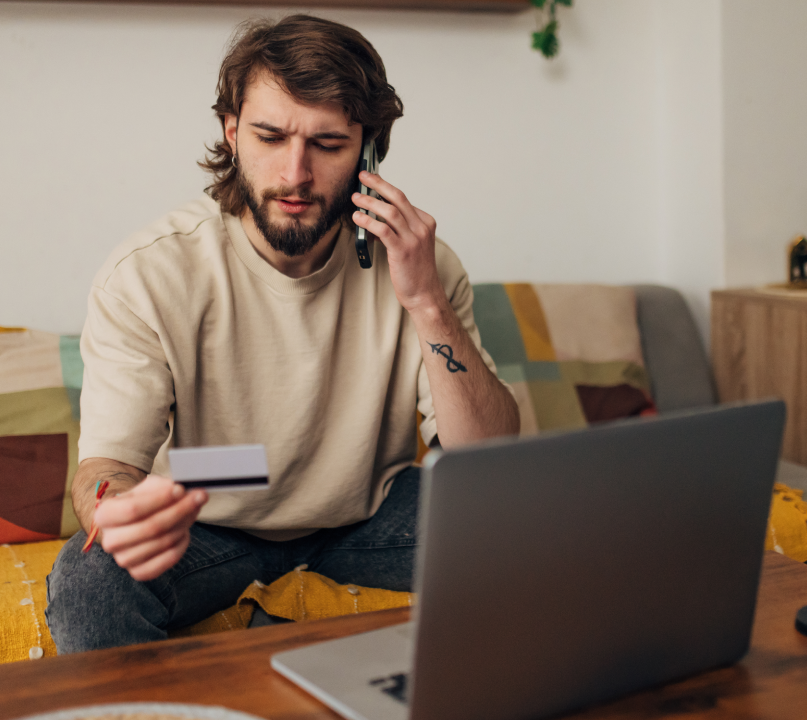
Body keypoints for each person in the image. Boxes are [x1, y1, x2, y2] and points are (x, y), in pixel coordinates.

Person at [45, 15, 520, 653]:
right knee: (88, 581)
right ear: (232, 132)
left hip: (366, 513)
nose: (295, 174)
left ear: (369, 152)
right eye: (270, 137)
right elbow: (107, 469)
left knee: (537, 522)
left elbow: (488, 460)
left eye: (328, 144)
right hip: (208, 521)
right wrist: (114, 511)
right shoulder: (149, 274)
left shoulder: (419, 268)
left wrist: (427, 303)